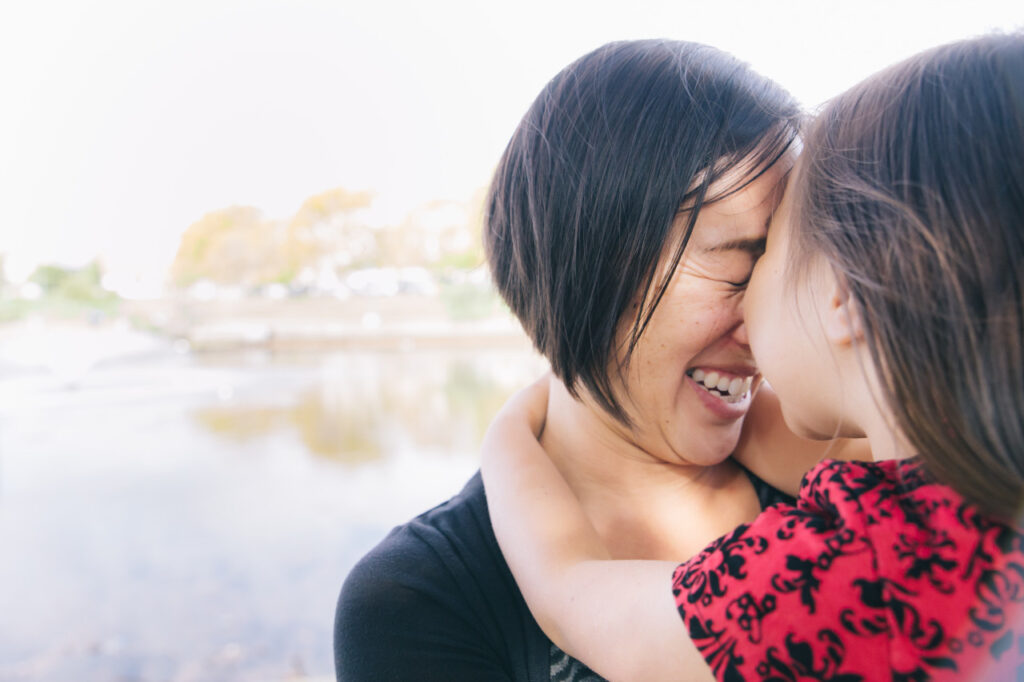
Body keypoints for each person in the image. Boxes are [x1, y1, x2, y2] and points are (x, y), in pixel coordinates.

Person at [481, 32, 1024, 681]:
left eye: (767, 260)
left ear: (845, 293)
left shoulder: (855, 577)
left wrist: (506, 439)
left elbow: (575, 596)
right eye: (742, 259)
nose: (754, 319)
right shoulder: (985, 507)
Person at [334, 39, 861, 681]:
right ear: (586, 265)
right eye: (741, 261)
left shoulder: (864, 480)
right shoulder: (422, 600)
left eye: (788, 268)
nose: (774, 322)